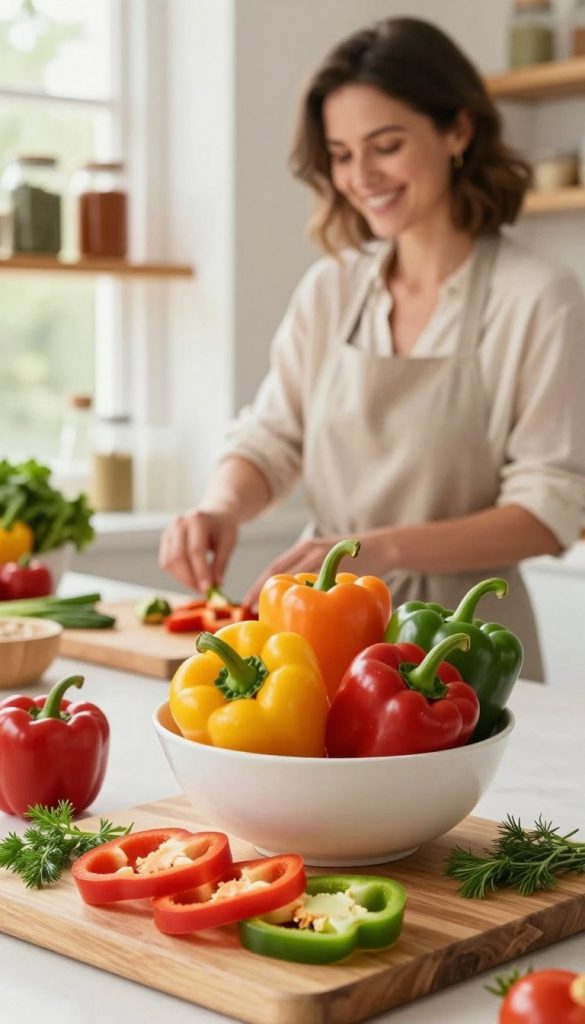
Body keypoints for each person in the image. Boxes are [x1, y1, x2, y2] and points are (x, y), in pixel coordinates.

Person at [159, 16, 585, 681]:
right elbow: (271, 440)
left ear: (457, 130)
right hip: (318, 636)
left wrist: (378, 548)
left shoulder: (539, 298)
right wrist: (219, 505)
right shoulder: (331, 288)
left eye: (384, 145)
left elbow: (549, 510)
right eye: (340, 153)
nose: (360, 176)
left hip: (464, 648)